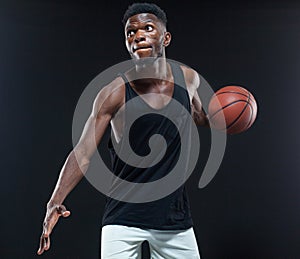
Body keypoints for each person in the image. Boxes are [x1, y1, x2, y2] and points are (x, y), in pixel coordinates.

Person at [37, 2, 209, 258]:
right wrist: (54, 201)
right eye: (130, 32)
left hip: (174, 218)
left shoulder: (188, 79)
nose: (138, 36)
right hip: (123, 218)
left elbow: (198, 116)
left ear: (166, 37)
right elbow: (83, 152)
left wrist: (222, 116)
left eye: (148, 28)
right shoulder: (114, 93)